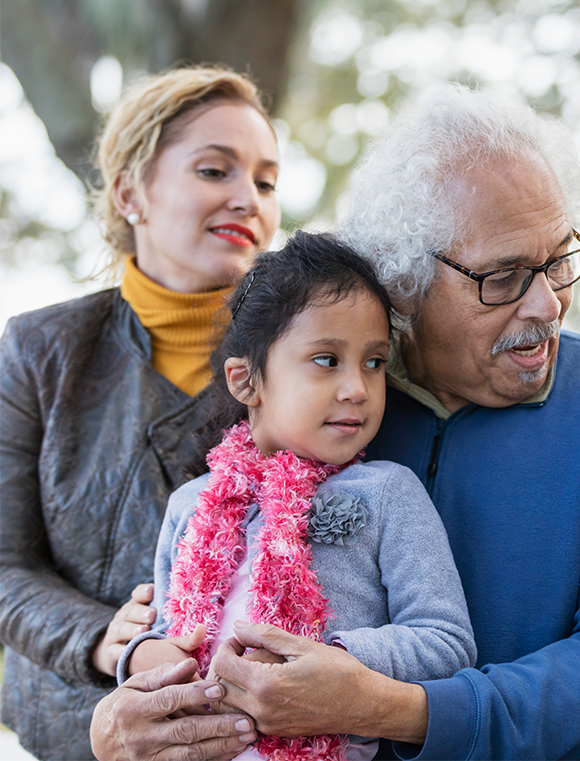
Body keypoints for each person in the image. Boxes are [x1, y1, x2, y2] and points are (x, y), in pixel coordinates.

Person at [91, 86, 580, 761]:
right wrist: (120, 718)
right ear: (402, 279)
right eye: (502, 275)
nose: (547, 303)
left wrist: (391, 708)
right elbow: (182, 621)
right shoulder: (326, 413)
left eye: (559, 260)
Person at [0, 66, 280, 760]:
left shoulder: (310, 357)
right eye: (216, 170)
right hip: (71, 735)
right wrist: (106, 639)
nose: (248, 197)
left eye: (267, 182)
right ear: (130, 192)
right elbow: (5, 564)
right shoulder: (37, 351)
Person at [117, 231, 476, 761]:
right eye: (327, 359)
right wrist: (145, 657)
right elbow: (168, 631)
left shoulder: (387, 493)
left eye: (374, 362)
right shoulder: (192, 505)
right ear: (247, 382)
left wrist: (329, 660)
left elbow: (447, 644)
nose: (357, 387)